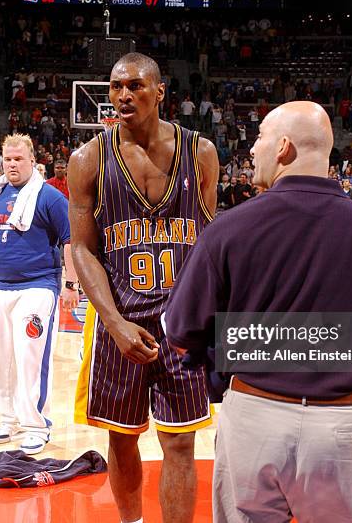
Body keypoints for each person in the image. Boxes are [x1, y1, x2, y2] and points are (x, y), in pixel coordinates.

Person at [164, 101, 352, 523]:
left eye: (260, 139)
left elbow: (180, 331)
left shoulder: (228, 229)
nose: (252, 149)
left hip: (253, 418)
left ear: (284, 147)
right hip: (342, 426)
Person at [69, 52, 219, 523]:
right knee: (121, 435)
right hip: (120, 319)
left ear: (160, 91)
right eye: (115, 87)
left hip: (183, 324)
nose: (122, 96)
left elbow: (210, 238)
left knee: (180, 441)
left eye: (134, 86)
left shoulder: (202, 152)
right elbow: (82, 249)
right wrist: (113, 324)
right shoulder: (88, 158)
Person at [0, 133, 79, 455]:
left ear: (32, 161)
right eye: (7, 159)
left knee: (29, 357)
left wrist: (71, 284)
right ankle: (7, 419)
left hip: (38, 286)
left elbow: (71, 241)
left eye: (18, 159)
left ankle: (37, 425)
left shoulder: (50, 198)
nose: (12, 164)